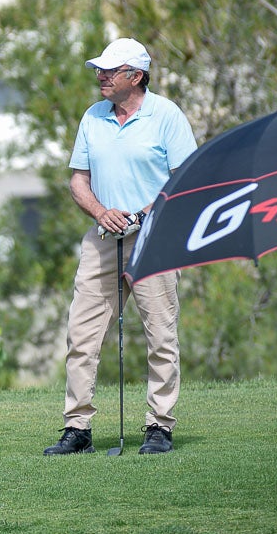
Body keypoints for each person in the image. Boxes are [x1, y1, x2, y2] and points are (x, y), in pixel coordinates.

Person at [44, 37, 198, 456]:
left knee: (160, 335)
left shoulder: (166, 115)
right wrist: (100, 212)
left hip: (155, 239)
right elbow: (78, 180)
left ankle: (159, 426)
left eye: (110, 71)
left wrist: (144, 212)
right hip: (102, 239)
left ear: (137, 75)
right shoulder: (93, 117)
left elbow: (186, 180)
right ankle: (77, 428)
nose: (101, 76)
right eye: (99, 70)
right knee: (82, 335)